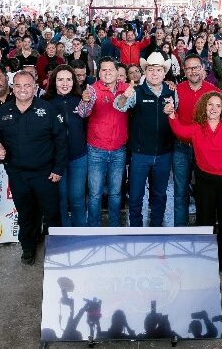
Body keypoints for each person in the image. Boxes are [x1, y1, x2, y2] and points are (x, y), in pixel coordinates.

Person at [0, 70, 68, 265]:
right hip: (17, 175)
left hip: (45, 174)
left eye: (27, 85)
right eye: (18, 85)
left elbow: (61, 141)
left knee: (51, 214)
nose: (23, 89)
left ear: (35, 87)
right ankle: (28, 248)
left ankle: (56, 249)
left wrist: (58, 169)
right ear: (12, 87)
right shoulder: (4, 112)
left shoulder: (48, 109)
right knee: (26, 213)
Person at [167, 92, 222, 274]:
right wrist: (172, 115)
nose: (214, 109)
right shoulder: (197, 128)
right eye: (210, 104)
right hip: (204, 182)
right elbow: (180, 131)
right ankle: (204, 261)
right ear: (204, 106)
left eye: (218, 106)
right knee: (205, 221)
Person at [123, 53, 178, 227]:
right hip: (140, 154)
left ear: (164, 73)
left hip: (164, 154)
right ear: (145, 71)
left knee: (160, 195)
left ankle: (156, 228)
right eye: (151, 69)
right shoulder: (137, 91)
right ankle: (136, 230)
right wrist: (125, 95)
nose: (155, 73)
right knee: (136, 195)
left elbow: (179, 118)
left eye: (159, 70)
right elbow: (120, 106)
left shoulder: (172, 93)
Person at [78, 57, 133, 227]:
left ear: (117, 73)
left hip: (118, 149)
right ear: (98, 72)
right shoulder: (92, 90)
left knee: (116, 193)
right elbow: (83, 113)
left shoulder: (126, 88)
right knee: (95, 193)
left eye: (111, 70)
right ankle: (94, 228)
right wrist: (85, 101)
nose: (107, 73)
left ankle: (115, 227)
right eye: (104, 70)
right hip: (96, 150)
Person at [173, 53, 220, 226]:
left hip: (205, 148)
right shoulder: (176, 90)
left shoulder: (213, 91)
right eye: (189, 68)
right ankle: (180, 231)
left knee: (204, 192)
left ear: (203, 69)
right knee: (180, 192)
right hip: (181, 147)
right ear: (184, 71)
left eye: (196, 67)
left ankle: (203, 231)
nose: (193, 71)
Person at [43, 65, 89, 228]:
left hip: (79, 157)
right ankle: (64, 235)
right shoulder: (45, 103)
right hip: (56, 161)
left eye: (68, 79)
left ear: (74, 81)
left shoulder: (81, 100)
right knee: (60, 199)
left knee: (77, 198)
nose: (64, 83)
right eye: (60, 79)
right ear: (54, 81)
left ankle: (81, 233)